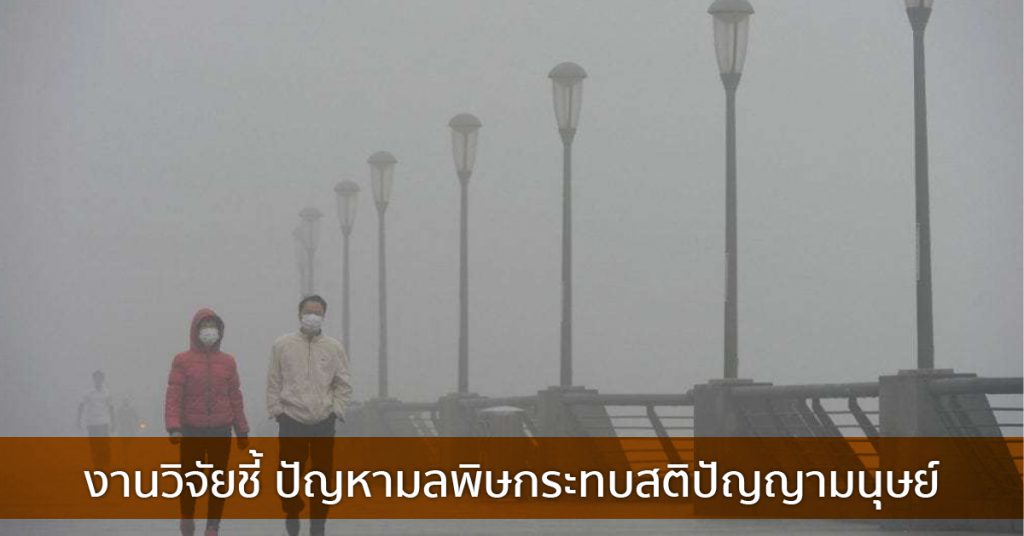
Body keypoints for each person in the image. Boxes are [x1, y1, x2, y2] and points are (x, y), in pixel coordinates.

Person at [267, 295, 352, 536]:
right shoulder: (282, 345)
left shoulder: (334, 348)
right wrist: (277, 411)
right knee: (288, 478)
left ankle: (317, 527)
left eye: (317, 312)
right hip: (291, 419)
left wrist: (337, 410)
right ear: (299, 314)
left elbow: (343, 383)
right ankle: (292, 512)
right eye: (308, 311)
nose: (312, 316)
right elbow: (274, 380)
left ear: (324, 316)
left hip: (323, 420)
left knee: (321, 480)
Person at [165, 308, 250, 536]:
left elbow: (235, 396)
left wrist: (241, 429)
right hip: (192, 429)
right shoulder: (182, 361)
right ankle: (187, 518)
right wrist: (174, 426)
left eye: (213, 327)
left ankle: (213, 526)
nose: (209, 331)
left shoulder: (228, 362)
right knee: (190, 479)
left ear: (220, 331)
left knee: (218, 481)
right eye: (204, 327)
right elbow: (174, 395)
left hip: (221, 430)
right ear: (195, 330)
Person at [78, 370, 114, 468]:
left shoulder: (107, 393)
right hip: (92, 423)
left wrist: (113, 423)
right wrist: (78, 420)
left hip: (104, 422)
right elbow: (81, 405)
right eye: (96, 378)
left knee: (105, 445)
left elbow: (111, 408)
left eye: (100, 378)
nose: (98, 380)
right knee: (94, 445)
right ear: (94, 379)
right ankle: (97, 465)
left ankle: (105, 464)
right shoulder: (89, 393)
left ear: (102, 380)